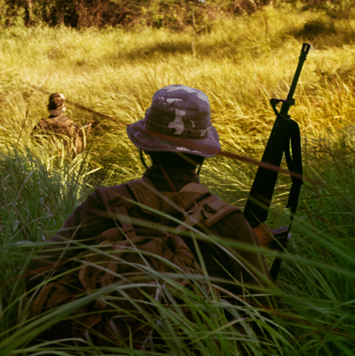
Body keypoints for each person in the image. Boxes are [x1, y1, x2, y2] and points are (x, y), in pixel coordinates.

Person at [27, 85, 268, 346]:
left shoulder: (103, 204)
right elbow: (262, 319)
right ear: (202, 155)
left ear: (146, 149)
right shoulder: (228, 223)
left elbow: (37, 274)